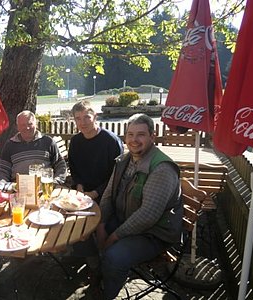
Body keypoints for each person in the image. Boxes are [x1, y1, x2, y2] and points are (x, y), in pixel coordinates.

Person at [96, 113, 183, 299]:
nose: (134, 140)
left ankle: (108, 293)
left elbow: (148, 215)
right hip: (124, 220)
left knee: (114, 256)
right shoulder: (124, 160)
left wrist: (113, 237)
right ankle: (102, 275)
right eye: (130, 134)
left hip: (154, 234)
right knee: (86, 233)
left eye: (141, 134)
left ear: (152, 136)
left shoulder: (161, 169)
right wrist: (102, 224)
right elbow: (109, 194)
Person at [68, 100, 123, 203]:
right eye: (78, 118)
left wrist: (95, 193)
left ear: (95, 117)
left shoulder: (111, 141)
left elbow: (117, 175)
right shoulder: (75, 141)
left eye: (87, 117)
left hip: (107, 195)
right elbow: (73, 168)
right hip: (81, 194)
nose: (82, 123)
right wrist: (79, 186)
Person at [0, 110, 67, 184]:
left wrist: (57, 181)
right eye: (23, 125)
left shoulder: (48, 141)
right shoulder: (10, 145)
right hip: (18, 187)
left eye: (30, 124)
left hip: (43, 186)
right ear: (17, 127)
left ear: (36, 124)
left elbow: (60, 164)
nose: (27, 128)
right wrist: (3, 185)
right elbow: (3, 170)